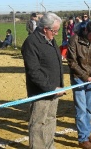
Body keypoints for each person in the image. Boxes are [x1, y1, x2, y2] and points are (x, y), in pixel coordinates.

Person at [21, 12, 65, 149]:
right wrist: (52, 87)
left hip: (54, 90)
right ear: (45, 28)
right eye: (54, 31)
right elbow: (33, 72)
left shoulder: (50, 38)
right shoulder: (31, 43)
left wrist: (58, 86)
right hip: (41, 92)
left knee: (51, 119)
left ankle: (49, 145)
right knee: (38, 122)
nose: (56, 34)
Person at [67, 21, 91, 149]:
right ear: (86, 31)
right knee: (81, 109)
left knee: (89, 109)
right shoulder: (74, 40)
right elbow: (72, 62)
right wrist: (85, 77)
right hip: (78, 78)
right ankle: (82, 139)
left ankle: (87, 132)